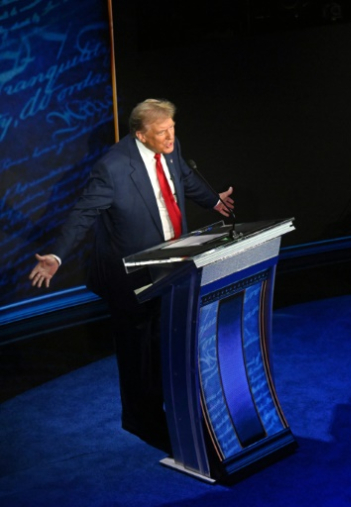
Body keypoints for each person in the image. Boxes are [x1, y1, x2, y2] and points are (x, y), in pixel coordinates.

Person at [28, 99, 234, 451]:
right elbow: (82, 214)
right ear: (141, 134)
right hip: (130, 274)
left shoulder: (170, 146)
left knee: (165, 342)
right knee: (138, 351)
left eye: (172, 129)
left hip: (173, 264)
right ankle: (141, 421)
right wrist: (57, 256)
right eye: (161, 132)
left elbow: (182, 174)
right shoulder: (113, 167)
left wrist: (213, 201)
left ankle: (170, 410)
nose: (170, 138)